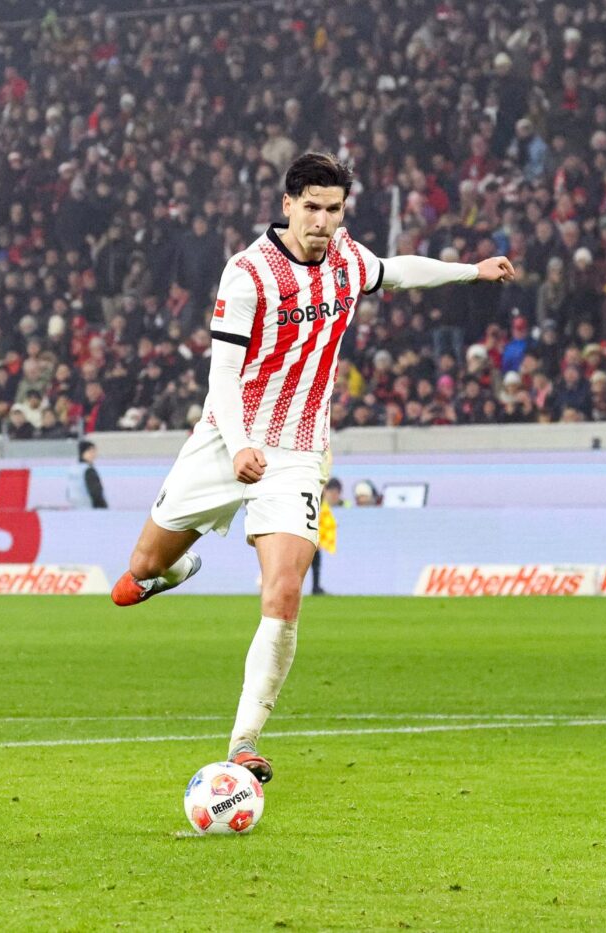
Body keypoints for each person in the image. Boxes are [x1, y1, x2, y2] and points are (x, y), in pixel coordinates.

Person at [109, 152, 514, 782]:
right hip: (226, 439)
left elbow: (397, 272)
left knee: (284, 591)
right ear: (287, 205)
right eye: (312, 208)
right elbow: (221, 376)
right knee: (139, 570)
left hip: (297, 451)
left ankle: (244, 741)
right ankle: (175, 568)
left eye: (334, 209)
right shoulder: (248, 273)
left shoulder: (348, 258)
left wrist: (471, 271)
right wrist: (239, 446)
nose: (323, 221)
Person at [67, 439, 109, 508]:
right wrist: (103, 508)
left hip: (76, 508)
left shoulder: (73, 469)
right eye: (90, 452)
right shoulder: (88, 470)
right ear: (83, 453)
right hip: (89, 508)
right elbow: (96, 493)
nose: (94, 454)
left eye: (94, 451)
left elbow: (69, 492)